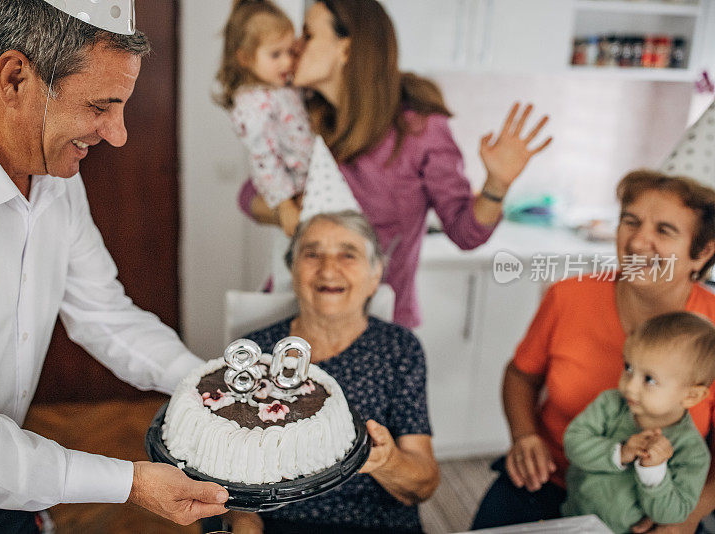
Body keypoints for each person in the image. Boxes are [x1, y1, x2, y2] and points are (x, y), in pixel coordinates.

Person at [0, 1, 227, 531]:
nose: (119, 133)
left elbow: (105, 315)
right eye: (100, 105)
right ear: (16, 78)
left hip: (10, 477)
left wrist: (207, 385)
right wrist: (130, 483)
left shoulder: (51, 168)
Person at [239, 0, 551, 328]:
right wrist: (290, 212)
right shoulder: (298, 117)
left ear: (345, 49)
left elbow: (465, 233)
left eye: (307, 34)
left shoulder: (419, 128)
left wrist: (496, 185)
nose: (294, 46)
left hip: (378, 323)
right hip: (295, 312)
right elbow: (249, 197)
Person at [472, 169, 715, 532]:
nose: (637, 242)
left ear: (702, 252)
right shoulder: (569, 296)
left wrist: (689, 515)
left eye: (664, 231)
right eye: (630, 222)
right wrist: (524, 436)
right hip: (551, 479)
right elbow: (520, 376)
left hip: (655, 502)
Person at [224, 211, 439, 534]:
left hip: (374, 522)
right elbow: (224, 466)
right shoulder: (257, 350)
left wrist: (387, 461)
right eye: (312, 254)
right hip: (279, 521)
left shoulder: (399, 349)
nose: (328, 269)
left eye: (347, 254)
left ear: (374, 274)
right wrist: (244, 520)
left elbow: (424, 484)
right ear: (292, 269)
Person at [563, 312, 715, 533]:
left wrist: (653, 471)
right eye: (628, 368)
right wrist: (620, 452)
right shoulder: (610, 404)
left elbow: (673, 514)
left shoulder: (692, 453)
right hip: (572, 519)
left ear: (691, 396)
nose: (629, 386)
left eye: (649, 379)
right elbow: (573, 443)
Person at [216, 0, 313, 237]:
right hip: (293, 190)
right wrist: (284, 205)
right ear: (245, 58)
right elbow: (264, 160)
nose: (287, 61)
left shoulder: (283, 87)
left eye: (290, 52)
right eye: (275, 54)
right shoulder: (251, 104)